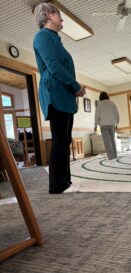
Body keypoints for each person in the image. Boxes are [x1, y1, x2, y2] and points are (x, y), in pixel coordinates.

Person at [33, 2, 85, 194]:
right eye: (59, 15)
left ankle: (65, 181)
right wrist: (76, 86)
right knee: (60, 140)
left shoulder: (54, 38)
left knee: (64, 139)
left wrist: (74, 89)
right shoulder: (42, 36)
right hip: (55, 93)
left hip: (63, 94)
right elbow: (54, 67)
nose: (62, 19)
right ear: (48, 14)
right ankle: (57, 185)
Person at [94, 92, 120, 160]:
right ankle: (115, 155)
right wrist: (117, 122)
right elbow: (116, 114)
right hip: (112, 124)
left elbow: (97, 115)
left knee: (107, 142)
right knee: (112, 140)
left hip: (104, 125)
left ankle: (111, 157)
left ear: (100, 97)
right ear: (107, 96)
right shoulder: (112, 103)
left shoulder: (99, 104)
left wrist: (95, 125)